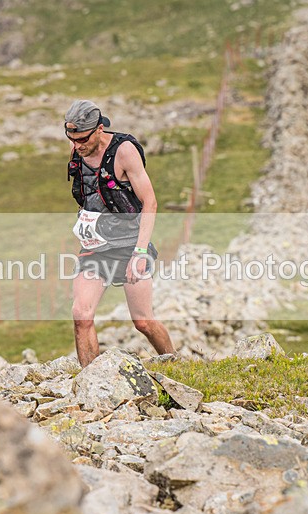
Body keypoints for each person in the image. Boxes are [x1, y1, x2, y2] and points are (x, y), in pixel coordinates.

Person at [64, 100, 175, 367]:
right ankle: (91, 380)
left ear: (99, 129)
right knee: (81, 314)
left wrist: (139, 252)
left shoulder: (124, 151)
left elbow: (150, 202)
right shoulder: (76, 146)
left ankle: (173, 362)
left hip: (130, 245)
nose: (77, 145)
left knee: (143, 321)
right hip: (95, 246)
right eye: (72, 138)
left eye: (82, 139)